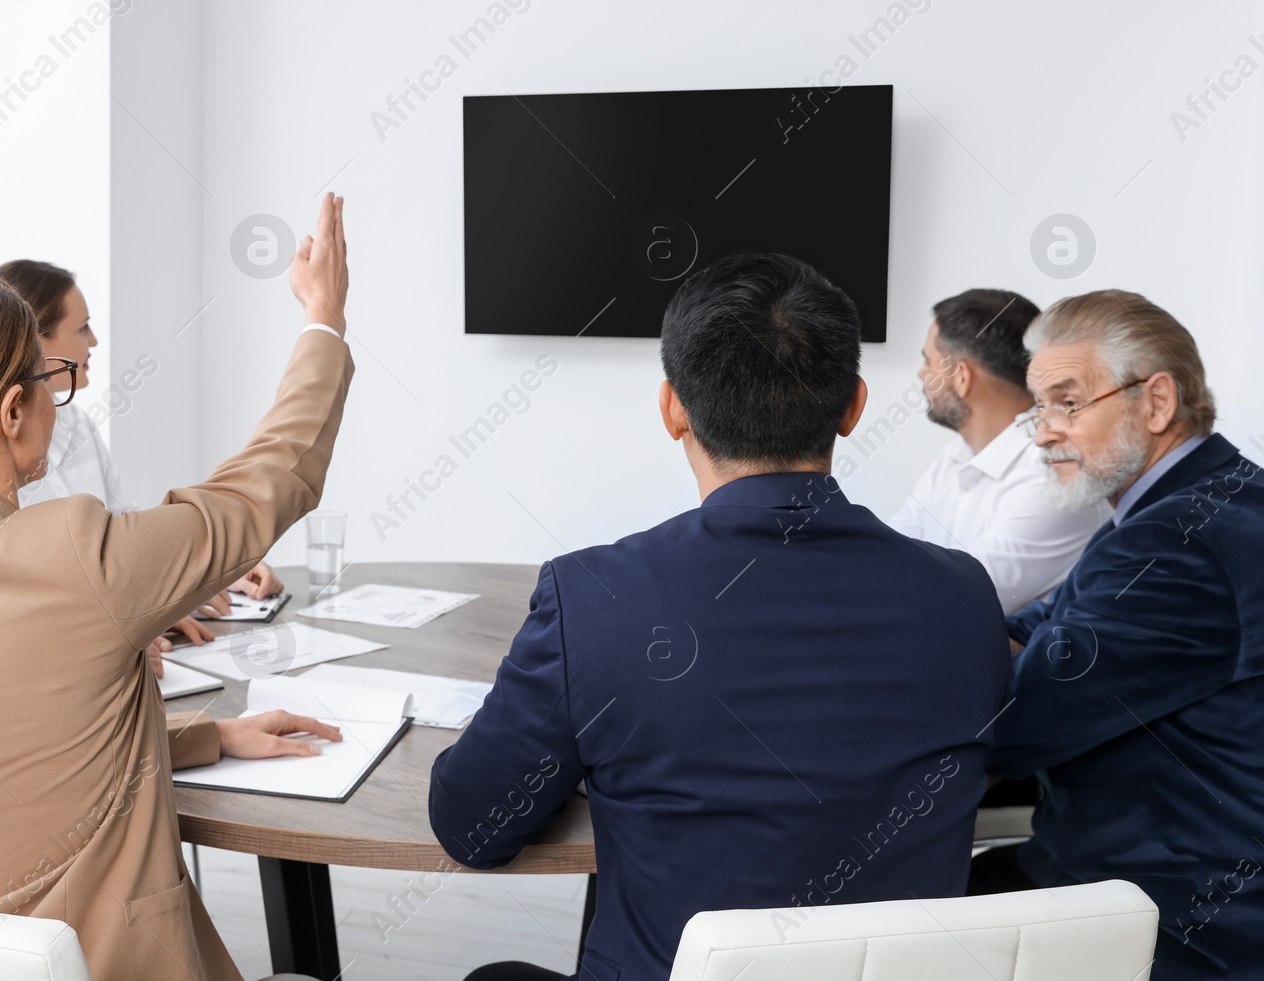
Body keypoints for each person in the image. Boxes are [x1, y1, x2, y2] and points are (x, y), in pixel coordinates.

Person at [0, 193, 352, 981]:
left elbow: (7, 770)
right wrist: (324, 316)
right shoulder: (76, 555)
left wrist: (205, 739)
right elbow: (268, 484)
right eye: (50, 379)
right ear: (13, 410)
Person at [430, 254, 1012, 981]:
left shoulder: (594, 597)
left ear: (672, 408)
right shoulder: (963, 595)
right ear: (854, 405)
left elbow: (473, 827)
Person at [972, 290, 1264, 981]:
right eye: (1038, 407)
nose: (1042, 432)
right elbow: (1037, 630)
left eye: (1067, 402)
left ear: (1157, 401)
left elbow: (1019, 721)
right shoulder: (1208, 502)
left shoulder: (1175, 543)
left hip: (1179, 914)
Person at [0, 259, 281, 665]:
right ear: (35, 341)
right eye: (82, 328)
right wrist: (128, 625)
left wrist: (210, 573)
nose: (93, 341)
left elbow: (124, 535)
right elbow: (22, 598)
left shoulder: (75, 420)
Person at [890, 289, 1107, 612]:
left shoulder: (1053, 472)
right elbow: (886, 555)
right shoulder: (956, 456)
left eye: (928, 361)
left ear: (961, 377)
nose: (922, 374)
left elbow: (952, 601)